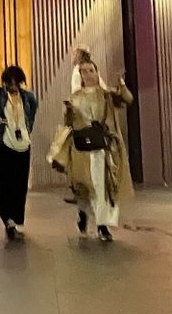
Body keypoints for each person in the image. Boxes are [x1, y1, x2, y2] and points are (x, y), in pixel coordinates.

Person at [49, 58, 133, 241]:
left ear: (97, 73)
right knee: (84, 187)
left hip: (103, 147)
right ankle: (83, 213)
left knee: (102, 187)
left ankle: (102, 225)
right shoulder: (75, 97)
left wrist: (121, 84)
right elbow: (68, 124)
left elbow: (127, 99)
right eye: (84, 72)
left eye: (91, 71)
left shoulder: (107, 95)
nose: (88, 74)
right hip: (81, 149)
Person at [0, 64, 38, 240]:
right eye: (9, 84)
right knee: (4, 184)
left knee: (20, 184)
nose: (13, 87)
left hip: (22, 144)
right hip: (1, 144)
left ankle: (17, 217)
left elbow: (31, 116)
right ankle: (7, 219)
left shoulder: (28, 98)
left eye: (16, 84)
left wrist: (25, 130)